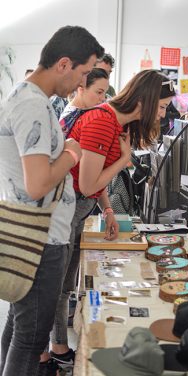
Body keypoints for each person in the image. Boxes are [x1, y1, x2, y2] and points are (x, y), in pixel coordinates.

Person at [48, 70, 176, 371]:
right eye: (160, 107)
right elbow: (89, 183)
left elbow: (94, 184)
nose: (162, 114)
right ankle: (55, 345)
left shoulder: (114, 123)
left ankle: (56, 343)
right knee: (58, 285)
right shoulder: (101, 123)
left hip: (81, 208)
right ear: (144, 101)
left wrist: (107, 211)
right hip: (66, 211)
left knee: (67, 283)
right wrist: (124, 160)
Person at [0, 26, 104, 376]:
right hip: (41, 238)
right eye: (85, 72)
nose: (82, 82)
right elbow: (38, 183)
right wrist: (73, 154)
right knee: (31, 339)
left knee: (20, 328)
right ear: (64, 64)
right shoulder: (32, 104)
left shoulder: (26, 96)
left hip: (35, 233)